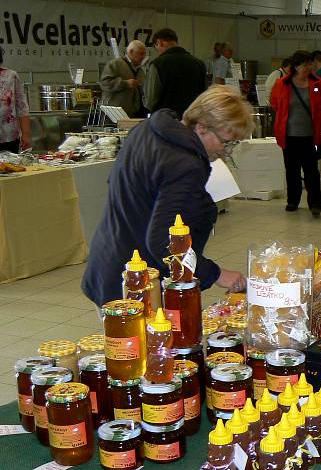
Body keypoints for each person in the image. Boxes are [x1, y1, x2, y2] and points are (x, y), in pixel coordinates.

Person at [81, 85, 252, 307]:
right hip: (137, 282)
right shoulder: (186, 164)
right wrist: (216, 274)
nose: (226, 151)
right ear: (201, 127)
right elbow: (164, 241)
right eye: (226, 142)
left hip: (108, 260)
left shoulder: (148, 130)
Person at [270, 51, 321, 218]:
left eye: (310, 64)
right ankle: (292, 200)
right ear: (295, 66)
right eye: (305, 64)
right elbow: (275, 103)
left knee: (311, 170)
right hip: (288, 134)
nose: (309, 67)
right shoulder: (282, 83)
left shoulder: (318, 83)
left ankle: (315, 203)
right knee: (292, 169)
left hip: (310, 134)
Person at [143, 28, 207, 118]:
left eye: (156, 48)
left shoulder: (157, 64)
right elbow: (205, 97)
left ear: (159, 42)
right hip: (192, 121)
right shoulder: (199, 63)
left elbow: (150, 101)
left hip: (165, 123)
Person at [100, 40, 147, 118]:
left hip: (133, 114)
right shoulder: (115, 64)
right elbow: (104, 83)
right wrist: (125, 83)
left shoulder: (140, 70)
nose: (143, 57)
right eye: (141, 53)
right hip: (114, 115)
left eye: (144, 54)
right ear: (131, 52)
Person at [0, 46, 30, 152]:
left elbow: (22, 107)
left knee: (10, 167)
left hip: (9, 137)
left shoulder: (11, 76)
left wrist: (26, 134)